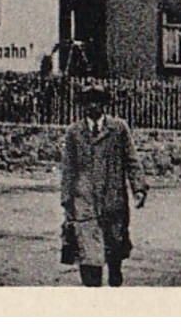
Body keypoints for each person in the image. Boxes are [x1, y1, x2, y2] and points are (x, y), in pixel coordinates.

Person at [61, 85, 149, 287]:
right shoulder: (74, 133)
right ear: (83, 105)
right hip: (84, 202)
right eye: (88, 102)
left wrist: (139, 188)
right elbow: (68, 169)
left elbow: (132, 160)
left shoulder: (118, 129)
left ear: (104, 104)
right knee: (88, 254)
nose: (92, 106)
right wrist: (67, 200)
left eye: (97, 101)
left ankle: (114, 278)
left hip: (113, 201)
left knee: (114, 249)